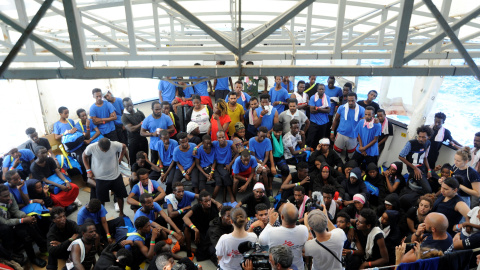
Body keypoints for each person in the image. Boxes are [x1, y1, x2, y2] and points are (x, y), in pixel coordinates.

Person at [0, 184, 47, 267]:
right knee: (21, 232)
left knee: (30, 225)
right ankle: (33, 258)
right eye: (5, 196)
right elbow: (5, 222)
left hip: (11, 219)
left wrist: (25, 216)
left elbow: (15, 211)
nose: (8, 197)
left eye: (8, 195)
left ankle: (43, 247)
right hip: (3, 227)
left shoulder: (9, 196)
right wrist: (22, 220)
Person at [83, 138, 128, 215]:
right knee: (101, 200)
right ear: (98, 145)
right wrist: (88, 171)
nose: (105, 151)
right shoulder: (92, 147)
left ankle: (121, 213)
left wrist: (120, 158)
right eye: (103, 149)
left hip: (115, 176)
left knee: (120, 196)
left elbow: (124, 146)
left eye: (107, 149)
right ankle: (102, 216)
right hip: (100, 178)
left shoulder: (115, 144)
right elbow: (84, 156)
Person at [259, 203, 309, 270]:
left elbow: (261, 240)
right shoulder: (303, 230)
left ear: (282, 217)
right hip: (298, 267)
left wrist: (270, 223)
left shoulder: (271, 232)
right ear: (297, 216)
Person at [183, 191, 219, 261]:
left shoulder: (214, 207)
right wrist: (195, 229)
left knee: (209, 249)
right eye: (205, 201)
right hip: (197, 229)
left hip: (207, 230)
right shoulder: (196, 207)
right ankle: (187, 249)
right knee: (186, 226)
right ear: (200, 202)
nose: (208, 203)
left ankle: (182, 247)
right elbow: (185, 217)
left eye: (209, 200)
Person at [331, 92, 366, 159]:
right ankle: (335, 167)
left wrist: (360, 137)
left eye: (352, 100)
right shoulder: (341, 108)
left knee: (351, 155)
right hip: (341, 134)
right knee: (336, 153)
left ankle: (349, 168)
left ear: (356, 99)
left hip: (353, 136)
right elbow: (335, 120)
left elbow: (362, 125)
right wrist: (332, 132)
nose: (350, 102)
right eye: (349, 101)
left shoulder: (361, 110)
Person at [249, 127, 275, 196]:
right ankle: (265, 191)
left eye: (264, 136)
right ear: (257, 133)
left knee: (264, 171)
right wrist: (263, 165)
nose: (263, 138)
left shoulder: (267, 141)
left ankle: (267, 190)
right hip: (255, 161)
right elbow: (253, 156)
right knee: (263, 171)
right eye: (261, 136)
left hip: (263, 161)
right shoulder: (251, 140)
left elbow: (266, 156)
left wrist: (263, 165)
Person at [211, 131, 237, 203]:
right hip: (219, 164)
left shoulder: (230, 143)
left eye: (223, 137)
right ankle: (231, 196)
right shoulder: (215, 143)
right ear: (217, 138)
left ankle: (225, 198)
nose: (221, 139)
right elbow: (204, 142)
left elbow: (237, 153)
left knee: (224, 177)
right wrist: (196, 148)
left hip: (228, 164)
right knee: (225, 175)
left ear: (225, 137)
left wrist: (230, 164)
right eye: (219, 137)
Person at [122, 97, 148, 166]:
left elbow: (146, 124)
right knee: (134, 160)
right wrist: (141, 124)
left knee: (145, 158)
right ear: (124, 107)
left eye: (131, 105)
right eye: (127, 106)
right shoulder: (124, 117)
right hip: (133, 141)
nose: (130, 107)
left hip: (143, 139)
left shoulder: (139, 113)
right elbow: (131, 129)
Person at [307, 83, 331, 149]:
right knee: (311, 138)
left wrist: (317, 108)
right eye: (320, 89)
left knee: (321, 139)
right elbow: (311, 111)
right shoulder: (313, 98)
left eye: (322, 89)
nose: (321, 90)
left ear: (324, 90)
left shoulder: (327, 98)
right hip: (314, 122)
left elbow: (328, 110)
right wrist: (323, 109)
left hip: (324, 122)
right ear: (317, 89)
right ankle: (309, 151)